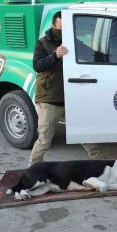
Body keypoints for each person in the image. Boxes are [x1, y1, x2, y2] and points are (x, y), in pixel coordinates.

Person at [29, 11, 68, 165]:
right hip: (50, 98)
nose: (64, 31)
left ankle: (102, 165)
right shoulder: (43, 43)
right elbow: (38, 65)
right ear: (53, 25)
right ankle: (32, 171)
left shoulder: (71, 41)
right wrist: (54, 56)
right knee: (44, 140)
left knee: (83, 135)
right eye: (61, 27)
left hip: (71, 96)